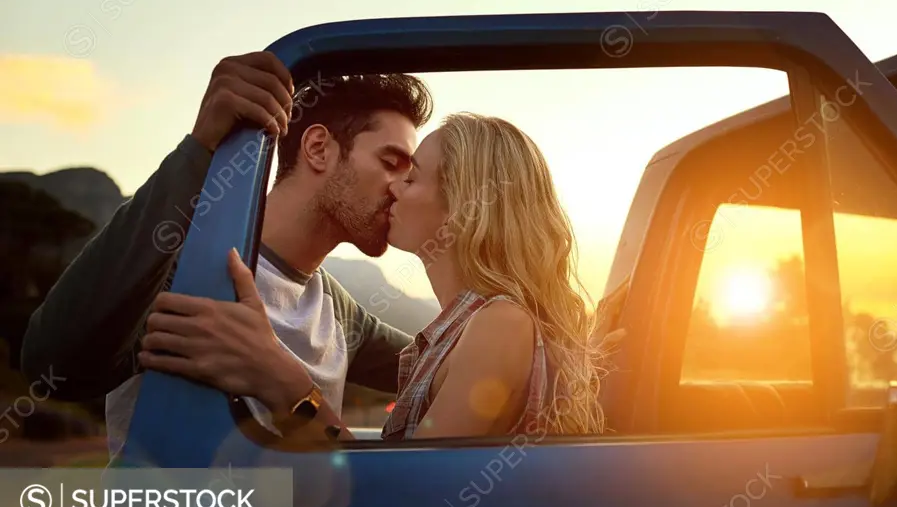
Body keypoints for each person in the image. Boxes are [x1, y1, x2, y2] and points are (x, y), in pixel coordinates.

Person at [20, 51, 434, 456]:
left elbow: (451, 368)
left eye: (410, 174)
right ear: (319, 148)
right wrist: (201, 148)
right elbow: (51, 368)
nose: (401, 188)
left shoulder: (339, 311)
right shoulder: (181, 270)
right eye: (392, 162)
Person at [138, 112, 613, 440]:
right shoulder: (464, 327)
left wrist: (282, 380)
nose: (394, 189)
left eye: (411, 177)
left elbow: (406, 495)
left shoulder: (499, 324)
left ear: (463, 209)